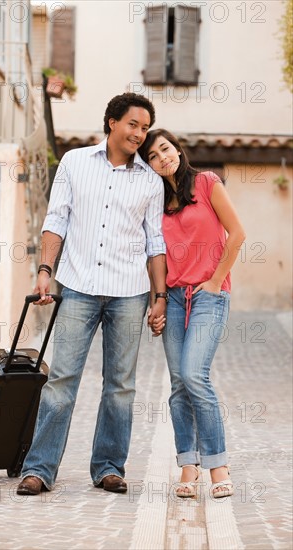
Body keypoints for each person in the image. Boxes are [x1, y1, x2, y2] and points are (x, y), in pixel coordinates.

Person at [16, 93, 167, 496]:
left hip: (129, 293)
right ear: (112, 122)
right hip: (78, 286)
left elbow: (156, 243)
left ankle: (109, 467)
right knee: (61, 380)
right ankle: (40, 469)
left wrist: (160, 296)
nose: (140, 133)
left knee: (120, 385)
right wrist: (45, 271)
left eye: (145, 127)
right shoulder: (74, 162)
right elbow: (56, 219)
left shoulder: (151, 182)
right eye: (133, 124)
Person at [139, 129, 246, 498]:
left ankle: (218, 466)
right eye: (152, 156)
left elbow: (238, 234)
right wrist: (159, 299)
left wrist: (216, 280)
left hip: (208, 295)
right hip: (173, 295)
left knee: (194, 374)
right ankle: (188, 465)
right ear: (149, 165)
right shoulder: (157, 204)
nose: (162, 158)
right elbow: (157, 255)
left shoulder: (206, 183)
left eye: (165, 149)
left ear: (178, 149)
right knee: (178, 384)